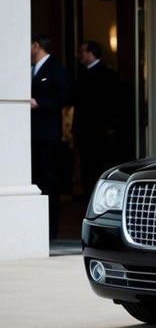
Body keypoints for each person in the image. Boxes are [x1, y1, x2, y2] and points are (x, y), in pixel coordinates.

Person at [30, 33, 72, 239]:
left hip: (48, 135)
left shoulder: (55, 68)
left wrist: (40, 103)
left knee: (49, 181)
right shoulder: (30, 69)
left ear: (36, 46)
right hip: (31, 135)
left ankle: (51, 228)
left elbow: (65, 96)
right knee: (35, 180)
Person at [73, 40, 125, 197]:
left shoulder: (107, 74)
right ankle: (89, 196)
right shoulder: (83, 73)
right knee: (87, 167)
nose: (78, 55)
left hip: (99, 130)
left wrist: (110, 126)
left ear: (91, 54)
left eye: (82, 52)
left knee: (98, 166)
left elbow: (113, 103)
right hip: (85, 129)